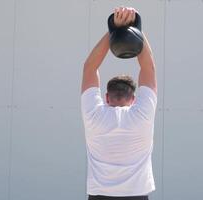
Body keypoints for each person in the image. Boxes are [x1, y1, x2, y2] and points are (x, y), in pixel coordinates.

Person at [81, 7, 158, 200]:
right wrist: (135, 28)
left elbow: (90, 67)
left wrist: (114, 29)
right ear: (134, 99)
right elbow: (149, 66)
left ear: (106, 97)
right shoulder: (142, 115)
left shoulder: (94, 116)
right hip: (137, 196)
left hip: (99, 195)